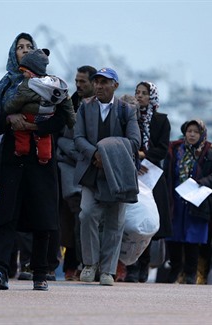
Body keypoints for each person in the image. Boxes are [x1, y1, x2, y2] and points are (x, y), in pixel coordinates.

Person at [0, 33, 72, 291]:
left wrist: (37, 124)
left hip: (42, 158)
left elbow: (62, 121)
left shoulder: (53, 85)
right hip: (13, 157)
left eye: (29, 47)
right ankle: (0, 268)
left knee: (44, 215)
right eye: (20, 47)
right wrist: (10, 120)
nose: (24, 50)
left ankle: (40, 272)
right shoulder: (6, 83)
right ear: (14, 53)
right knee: (6, 213)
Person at [74, 67, 140, 286]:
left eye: (105, 82)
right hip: (91, 170)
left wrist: (107, 153)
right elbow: (78, 137)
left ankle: (107, 271)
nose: (99, 86)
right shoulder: (85, 107)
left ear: (116, 85)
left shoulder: (126, 110)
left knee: (115, 221)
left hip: (117, 174)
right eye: (97, 82)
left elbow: (134, 141)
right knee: (87, 214)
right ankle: (90, 264)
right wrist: (95, 154)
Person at [163, 119, 212, 284]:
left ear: (201, 134)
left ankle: (190, 274)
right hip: (175, 200)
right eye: (189, 131)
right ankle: (175, 270)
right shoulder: (175, 149)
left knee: (193, 238)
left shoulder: (209, 152)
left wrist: (202, 182)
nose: (192, 134)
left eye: (196, 132)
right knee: (173, 237)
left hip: (196, 201)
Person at [124, 81, 171, 283]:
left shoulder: (160, 120)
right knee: (132, 220)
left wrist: (143, 155)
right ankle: (131, 266)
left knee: (149, 222)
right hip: (132, 174)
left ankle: (144, 265)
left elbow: (162, 148)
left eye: (144, 93)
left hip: (151, 175)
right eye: (137, 92)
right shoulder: (128, 115)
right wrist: (134, 158)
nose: (140, 96)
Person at [4, 48, 75, 164]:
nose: (23, 73)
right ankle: (44, 156)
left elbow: (15, 102)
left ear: (31, 71)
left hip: (28, 117)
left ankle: (21, 150)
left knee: (21, 133)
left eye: (24, 70)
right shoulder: (54, 84)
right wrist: (72, 121)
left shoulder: (27, 85)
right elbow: (67, 103)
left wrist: (8, 110)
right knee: (44, 137)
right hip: (47, 117)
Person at [58, 65, 96, 281]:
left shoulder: (101, 106)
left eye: (83, 82)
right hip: (70, 170)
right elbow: (61, 137)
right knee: (77, 217)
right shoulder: (70, 104)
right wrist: (82, 151)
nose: (79, 85)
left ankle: (83, 263)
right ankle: (78, 264)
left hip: (91, 170)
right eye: (77, 81)